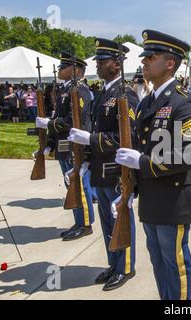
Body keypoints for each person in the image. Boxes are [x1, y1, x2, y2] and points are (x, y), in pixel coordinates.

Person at [115, 30, 191, 300]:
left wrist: (140, 162)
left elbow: (186, 154)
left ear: (169, 63)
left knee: (174, 262)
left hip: (173, 198)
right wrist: (128, 190)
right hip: (152, 198)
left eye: (150, 57)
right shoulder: (146, 102)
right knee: (157, 260)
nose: (144, 62)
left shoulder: (186, 102)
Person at [68, 39, 139, 291]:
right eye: (97, 61)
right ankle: (113, 263)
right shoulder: (102, 93)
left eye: (102, 60)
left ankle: (125, 267)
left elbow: (126, 137)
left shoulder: (126, 94)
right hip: (100, 170)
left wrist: (90, 139)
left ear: (117, 64)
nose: (97, 65)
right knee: (108, 224)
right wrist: (84, 160)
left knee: (121, 219)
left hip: (117, 172)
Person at [35, 52, 96, 241]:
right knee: (70, 184)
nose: (60, 69)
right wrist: (49, 144)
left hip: (74, 145)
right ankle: (79, 221)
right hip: (63, 145)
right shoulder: (65, 90)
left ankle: (85, 223)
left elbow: (72, 121)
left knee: (79, 185)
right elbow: (58, 117)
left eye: (64, 66)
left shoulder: (81, 91)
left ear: (76, 70)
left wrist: (49, 125)